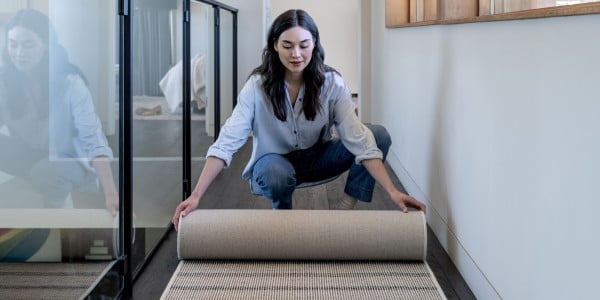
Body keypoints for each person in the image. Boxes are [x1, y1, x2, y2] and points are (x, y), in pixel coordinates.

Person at [172, 9, 425, 228]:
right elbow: (227, 141)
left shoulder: (332, 83)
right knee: (275, 173)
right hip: (274, 166)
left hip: (317, 158)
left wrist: (392, 191)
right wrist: (196, 196)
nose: (296, 54)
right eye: (287, 45)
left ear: (314, 43)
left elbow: (359, 140)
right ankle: (283, 219)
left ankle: (345, 210)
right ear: (274, 44)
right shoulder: (256, 87)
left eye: (303, 45)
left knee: (377, 135)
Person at [0, 9, 118, 214]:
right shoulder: (5, 80)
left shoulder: (70, 83)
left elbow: (94, 140)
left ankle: (59, 219)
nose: (19, 53)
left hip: (69, 160)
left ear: (46, 45)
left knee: (45, 172)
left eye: (29, 44)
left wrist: (111, 193)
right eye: (13, 44)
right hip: (31, 154)